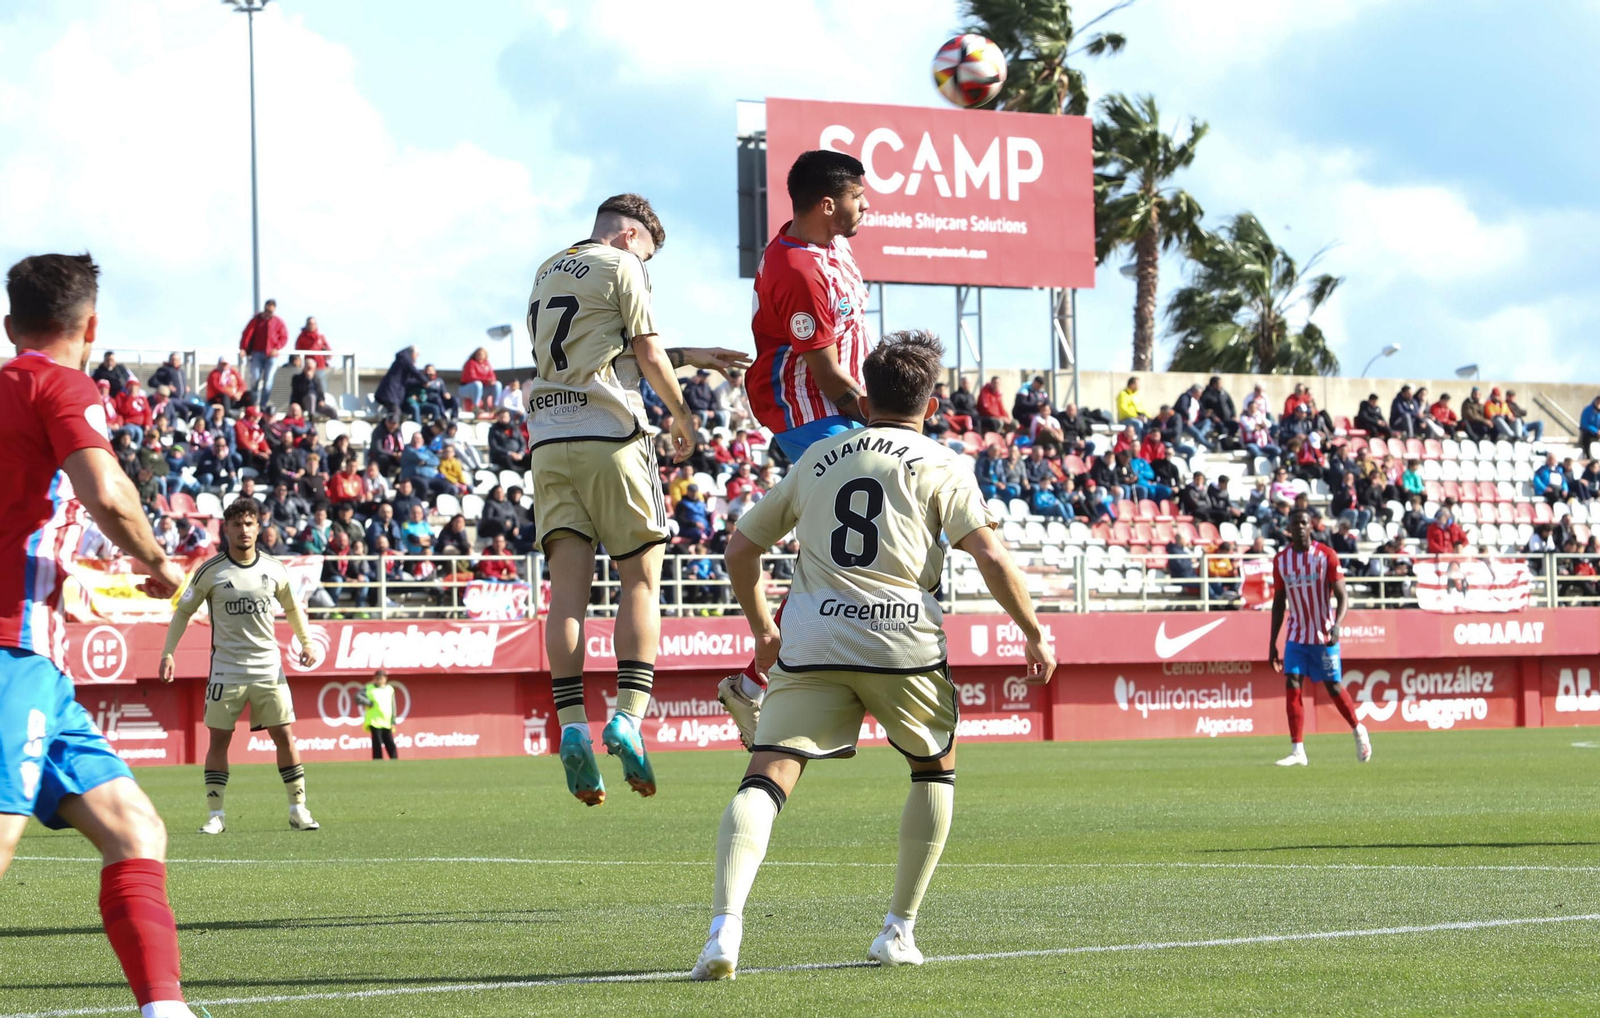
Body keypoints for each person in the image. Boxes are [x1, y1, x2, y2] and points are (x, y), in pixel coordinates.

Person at [692, 330, 1054, 980]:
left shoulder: (820, 457)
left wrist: (762, 632)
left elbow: (740, 550)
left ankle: (724, 930)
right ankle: (897, 930)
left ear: (867, 390)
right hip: (901, 634)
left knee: (767, 775)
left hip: (814, 634)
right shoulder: (943, 462)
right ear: (930, 397)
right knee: (933, 767)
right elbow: (991, 556)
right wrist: (1032, 631)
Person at [0, 252, 203, 1018]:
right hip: (8, 649)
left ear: (9, 322)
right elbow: (109, 495)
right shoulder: (59, 383)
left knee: (134, 826)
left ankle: (164, 1010)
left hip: (39, 664)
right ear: (92, 327)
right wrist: (161, 566)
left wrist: (68, 581)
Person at [525, 192, 746, 806]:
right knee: (639, 581)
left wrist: (692, 353)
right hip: (612, 437)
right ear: (628, 238)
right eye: (647, 255)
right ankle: (628, 714)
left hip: (548, 442)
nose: (647, 268)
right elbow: (643, 353)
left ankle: (572, 726)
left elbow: (595, 352)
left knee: (566, 595)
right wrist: (684, 416)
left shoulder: (547, 270)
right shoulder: (624, 266)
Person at [728, 150, 875, 740]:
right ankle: (766, 673)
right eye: (861, 197)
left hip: (837, 409)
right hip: (808, 410)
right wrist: (893, 424)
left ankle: (756, 679)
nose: (868, 207)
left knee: (839, 551)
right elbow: (829, 378)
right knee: (854, 530)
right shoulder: (800, 272)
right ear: (828, 203)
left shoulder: (829, 245)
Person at [162, 498, 320, 834]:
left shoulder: (275, 569)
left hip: (268, 668)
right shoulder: (211, 570)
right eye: (237, 524)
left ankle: (298, 809)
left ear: (258, 528)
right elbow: (183, 611)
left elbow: (293, 609)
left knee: (285, 736)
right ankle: (216, 815)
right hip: (227, 670)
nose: (243, 530)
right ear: (227, 530)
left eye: (249, 523)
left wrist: (306, 642)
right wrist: (168, 652)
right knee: (218, 740)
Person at [1268, 508, 1372, 767]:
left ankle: (1358, 730)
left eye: (1304, 522)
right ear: (1289, 529)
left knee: (1333, 687)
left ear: (1311, 526)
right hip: (1296, 634)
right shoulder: (1281, 560)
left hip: (1323, 633)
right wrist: (1272, 642)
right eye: (1295, 524)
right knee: (1292, 682)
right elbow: (1279, 603)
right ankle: (1297, 750)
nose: (1300, 527)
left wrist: (1337, 625)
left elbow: (1343, 596)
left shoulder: (1326, 555)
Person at [239, 298, 289, 406]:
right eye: (267, 311)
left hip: (271, 356)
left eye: (270, 312)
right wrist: (243, 348)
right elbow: (247, 334)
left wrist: (277, 348)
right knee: (255, 379)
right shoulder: (256, 320)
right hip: (257, 353)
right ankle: (253, 403)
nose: (268, 314)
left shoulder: (278, 322)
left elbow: (284, 337)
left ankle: (263, 405)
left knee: (268, 381)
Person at [375, 345, 428, 420]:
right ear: (412, 353)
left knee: (395, 413)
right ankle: (392, 430)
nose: (416, 357)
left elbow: (407, 381)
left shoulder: (402, 360)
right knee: (395, 412)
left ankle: (392, 428)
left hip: (391, 394)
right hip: (390, 394)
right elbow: (415, 372)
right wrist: (425, 381)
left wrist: (420, 383)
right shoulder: (404, 359)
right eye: (417, 355)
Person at [358, 670, 399, 761]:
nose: (379, 680)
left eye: (381, 678)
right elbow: (358, 697)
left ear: (385, 679)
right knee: (377, 743)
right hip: (374, 720)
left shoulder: (389, 689)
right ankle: (378, 761)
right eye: (377, 678)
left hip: (386, 721)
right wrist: (368, 702)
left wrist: (393, 720)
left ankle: (395, 760)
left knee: (390, 743)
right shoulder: (369, 688)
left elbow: (393, 705)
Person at [459, 347, 501, 415]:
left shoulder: (487, 364)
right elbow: (472, 377)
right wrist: (486, 381)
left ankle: (495, 407)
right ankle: (476, 406)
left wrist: (492, 381)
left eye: (481, 354)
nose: (480, 356)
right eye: (478, 354)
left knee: (497, 384)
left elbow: (492, 376)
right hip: (467, 388)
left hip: (482, 389)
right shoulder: (471, 363)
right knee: (478, 384)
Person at [295, 315, 330, 379]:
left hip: (319, 366)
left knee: (321, 386)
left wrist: (327, 354)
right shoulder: (302, 337)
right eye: (310, 324)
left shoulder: (321, 337)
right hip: (306, 368)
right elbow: (297, 351)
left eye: (313, 324)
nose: (311, 325)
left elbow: (328, 350)